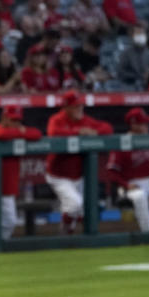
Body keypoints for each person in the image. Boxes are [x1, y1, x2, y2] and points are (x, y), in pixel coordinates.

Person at [45, 90, 113, 234]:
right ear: (66, 107)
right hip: (58, 175)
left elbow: (107, 128)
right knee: (75, 205)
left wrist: (94, 132)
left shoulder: (85, 120)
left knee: (82, 210)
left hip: (79, 176)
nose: (79, 109)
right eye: (75, 106)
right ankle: (66, 231)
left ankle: (71, 237)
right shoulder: (57, 119)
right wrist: (78, 132)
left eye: (80, 106)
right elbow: (53, 133)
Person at [0, 106, 43, 239]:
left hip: (6, 187)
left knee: (9, 221)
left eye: (18, 121)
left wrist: (18, 132)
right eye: (13, 120)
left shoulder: (17, 132)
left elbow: (37, 133)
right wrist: (20, 133)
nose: (16, 124)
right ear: (4, 118)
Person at [107, 107, 149, 233]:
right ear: (133, 124)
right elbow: (112, 172)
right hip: (131, 184)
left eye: (147, 123)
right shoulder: (123, 143)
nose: (147, 126)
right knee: (140, 197)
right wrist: (126, 185)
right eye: (143, 123)